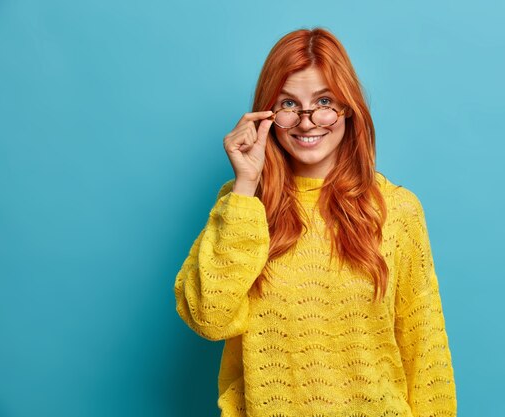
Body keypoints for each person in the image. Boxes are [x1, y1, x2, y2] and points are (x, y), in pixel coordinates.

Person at [173, 27, 457, 417]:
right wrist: (245, 185)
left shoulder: (397, 210)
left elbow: (425, 350)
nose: (308, 122)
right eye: (289, 104)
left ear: (348, 109)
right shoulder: (240, 205)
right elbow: (210, 316)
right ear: (267, 116)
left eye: (324, 101)